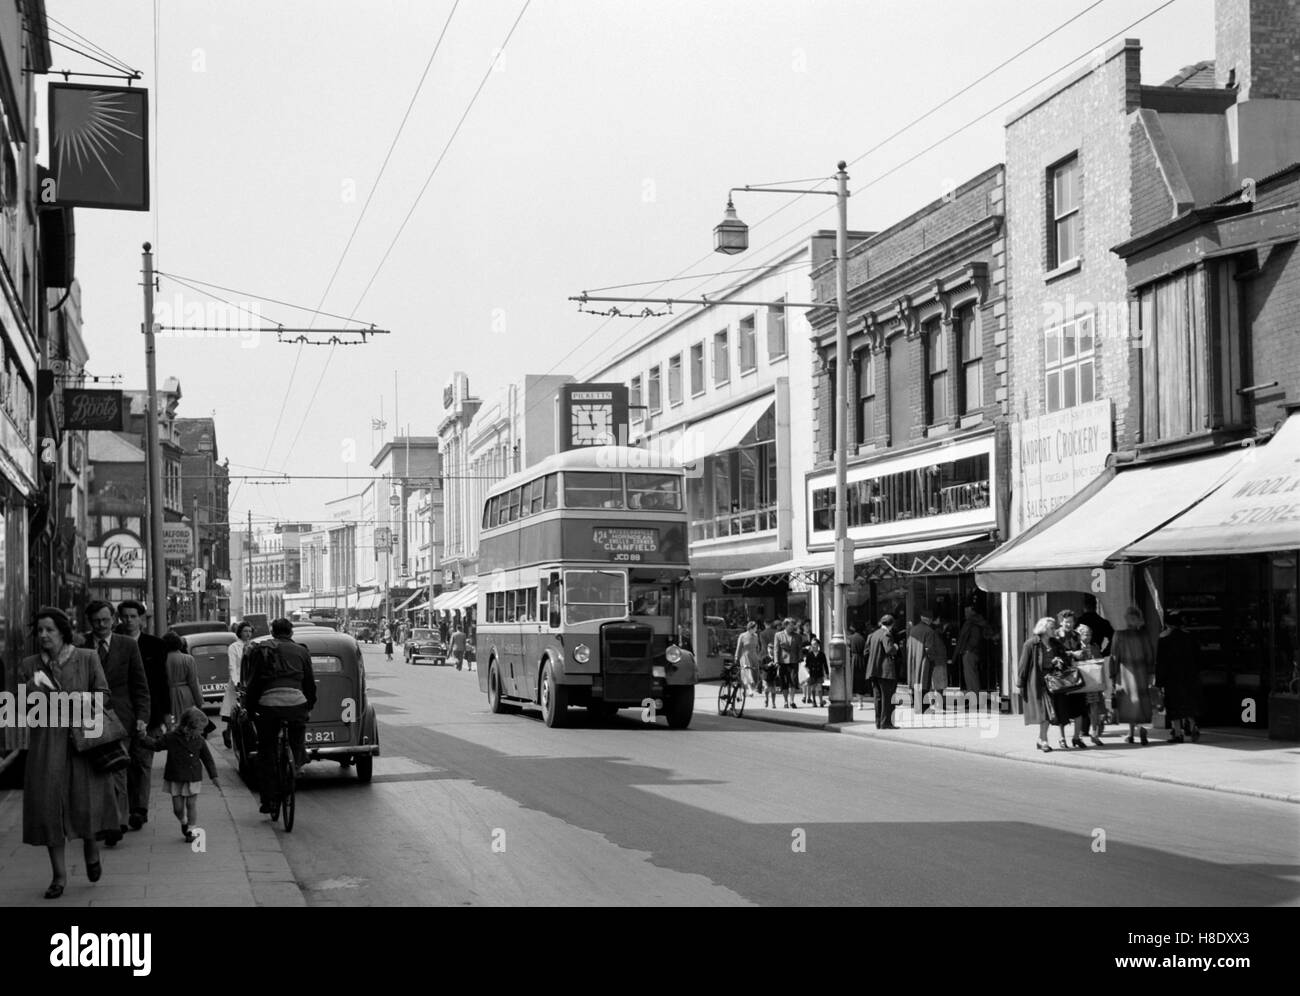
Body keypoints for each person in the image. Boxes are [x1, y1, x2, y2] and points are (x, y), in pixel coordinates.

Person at [19, 607, 118, 899]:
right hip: (46, 747)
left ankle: (90, 846)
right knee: (50, 810)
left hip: (82, 743)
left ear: (63, 631)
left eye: (49, 629)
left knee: (84, 804)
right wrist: (30, 691)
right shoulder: (30, 664)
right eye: (39, 631)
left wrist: (77, 702)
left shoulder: (86, 658)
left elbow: (104, 695)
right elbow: (20, 711)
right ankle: (59, 877)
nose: (43, 635)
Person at [82, 600, 148, 848]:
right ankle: (103, 820)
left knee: (118, 769)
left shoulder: (128, 646)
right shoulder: (80, 645)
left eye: (105, 620)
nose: (101, 625)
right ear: (90, 622)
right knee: (97, 772)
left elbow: (140, 685)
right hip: (89, 718)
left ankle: (118, 821)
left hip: (122, 717)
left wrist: (142, 716)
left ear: (113, 620)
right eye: (96, 621)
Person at [245, 619, 317, 817]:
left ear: (272, 632)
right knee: (298, 729)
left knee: (266, 751)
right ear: (291, 632)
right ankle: (298, 759)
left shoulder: (262, 650)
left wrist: (250, 709)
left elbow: (254, 684)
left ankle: (268, 800)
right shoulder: (302, 651)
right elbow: (309, 682)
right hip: (296, 704)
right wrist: (309, 705)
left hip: (269, 707)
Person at [117, 600, 168, 831]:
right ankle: (126, 809)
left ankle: (140, 810)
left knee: (143, 764)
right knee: (123, 766)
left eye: (132, 616)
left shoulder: (156, 646)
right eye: (124, 616)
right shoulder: (114, 644)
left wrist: (167, 714)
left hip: (151, 715)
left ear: (141, 619)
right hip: (121, 716)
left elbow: (162, 683)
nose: (128, 620)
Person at [139, 707, 219, 842]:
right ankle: (184, 821)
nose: (202, 732)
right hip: (176, 776)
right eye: (200, 729)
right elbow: (156, 745)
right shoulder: (171, 737)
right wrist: (142, 737)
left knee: (191, 804)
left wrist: (214, 776)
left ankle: (192, 829)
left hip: (193, 776)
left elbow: (208, 759)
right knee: (178, 808)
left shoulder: (199, 740)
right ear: (189, 727)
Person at [1018, 616, 1067, 752]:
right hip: (1037, 682)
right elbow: (1023, 665)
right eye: (1052, 628)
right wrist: (1020, 684)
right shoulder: (1031, 644)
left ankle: (1041, 739)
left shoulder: (1055, 644)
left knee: (1050, 713)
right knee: (1044, 712)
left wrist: (1059, 660)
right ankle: (1044, 741)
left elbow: (1065, 657)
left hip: (1053, 682)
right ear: (1044, 629)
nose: (1054, 630)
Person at [1110, 606, 1155, 745]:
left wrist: (1112, 674)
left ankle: (1130, 733)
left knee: (1129, 702)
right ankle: (1142, 730)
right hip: (1141, 673)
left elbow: (1114, 656)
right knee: (1142, 702)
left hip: (1125, 674)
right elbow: (1150, 655)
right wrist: (1151, 673)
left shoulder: (1119, 635)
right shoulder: (1144, 635)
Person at [1157, 610, 1203, 743]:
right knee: (1189, 703)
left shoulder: (1164, 639)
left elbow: (1161, 662)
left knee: (1174, 706)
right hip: (1190, 676)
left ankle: (1178, 733)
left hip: (1172, 678)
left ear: (1167, 624)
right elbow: (1199, 658)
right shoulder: (1190, 637)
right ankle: (1193, 725)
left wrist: (1159, 682)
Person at [907, 609, 948, 710]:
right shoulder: (929, 631)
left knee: (916, 682)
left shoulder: (913, 630)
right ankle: (924, 707)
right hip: (925, 661)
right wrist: (933, 659)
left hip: (914, 660)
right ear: (929, 620)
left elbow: (909, 645)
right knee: (925, 682)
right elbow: (928, 648)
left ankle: (917, 705)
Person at [1073, 623, 1106, 746]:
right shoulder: (1075, 646)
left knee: (1094, 708)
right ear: (1079, 635)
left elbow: (1099, 662)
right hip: (1079, 682)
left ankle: (1094, 733)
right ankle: (1079, 734)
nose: (1089, 637)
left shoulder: (1095, 646)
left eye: (1090, 634)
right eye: (1086, 634)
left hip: (1092, 682)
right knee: (1080, 708)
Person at [865, 615, 901, 728]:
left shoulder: (873, 634)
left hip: (873, 670)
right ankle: (886, 722)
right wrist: (895, 647)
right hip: (885, 671)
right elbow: (889, 649)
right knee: (887, 697)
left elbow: (866, 652)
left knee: (878, 698)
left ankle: (878, 722)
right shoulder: (886, 634)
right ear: (891, 625)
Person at [162, 631, 203, 728]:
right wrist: (199, 701)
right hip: (185, 694)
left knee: (171, 721)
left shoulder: (161, 659)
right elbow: (193, 682)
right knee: (185, 721)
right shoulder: (188, 659)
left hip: (167, 694)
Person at [222, 622, 254, 748]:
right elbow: (232, 666)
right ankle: (228, 732)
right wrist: (236, 683)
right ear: (240, 632)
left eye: (250, 631)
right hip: (238, 681)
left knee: (245, 709)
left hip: (249, 681)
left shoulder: (253, 646)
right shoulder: (234, 647)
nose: (248, 634)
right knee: (234, 708)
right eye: (245, 631)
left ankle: (239, 733)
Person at [954, 606, 988, 694]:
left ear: (971, 611)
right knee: (972, 675)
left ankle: (973, 698)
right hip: (973, 652)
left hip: (970, 653)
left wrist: (967, 649)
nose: (965, 613)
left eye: (966, 611)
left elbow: (974, 639)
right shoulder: (976, 622)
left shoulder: (972, 623)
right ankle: (974, 697)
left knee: (970, 676)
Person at [772, 618, 804, 709]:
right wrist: (776, 661)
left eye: (793, 625)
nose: (792, 627)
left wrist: (800, 658)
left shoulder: (797, 636)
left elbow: (799, 648)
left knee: (793, 681)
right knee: (784, 682)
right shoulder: (778, 635)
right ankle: (785, 701)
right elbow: (776, 649)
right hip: (783, 662)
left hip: (794, 661)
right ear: (785, 626)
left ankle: (792, 701)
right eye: (790, 625)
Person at [733, 620, 762, 695]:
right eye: (755, 628)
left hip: (754, 656)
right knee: (747, 672)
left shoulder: (756, 636)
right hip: (745, 656)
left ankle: (747, 688)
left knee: (755, 673)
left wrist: (758, 656)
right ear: (750, 628)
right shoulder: (742, 636)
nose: (756, 629)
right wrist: (736, 656)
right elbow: (738, 647)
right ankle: (749, 690)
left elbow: (757, 647)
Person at [848, 622, 868, 708]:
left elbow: (848, 649)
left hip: (853, 660)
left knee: (854, 680)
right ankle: (860, 702)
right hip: (862, 660)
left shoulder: (850, 638)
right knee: (860, 681)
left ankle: (855, 701)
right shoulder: (864, 638)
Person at [804, 638, 828, 707]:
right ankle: (814, 701)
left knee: (820, 687)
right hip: (812, 673)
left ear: (818, 645)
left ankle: (821, 701)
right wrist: (807, 671)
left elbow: (825, 664)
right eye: (812, 645)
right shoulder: (809, 654)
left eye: (815, 644)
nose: (813, 646)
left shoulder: (822, 654)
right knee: (813, 688)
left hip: (819, 673)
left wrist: (827, 673)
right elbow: (806, 665)